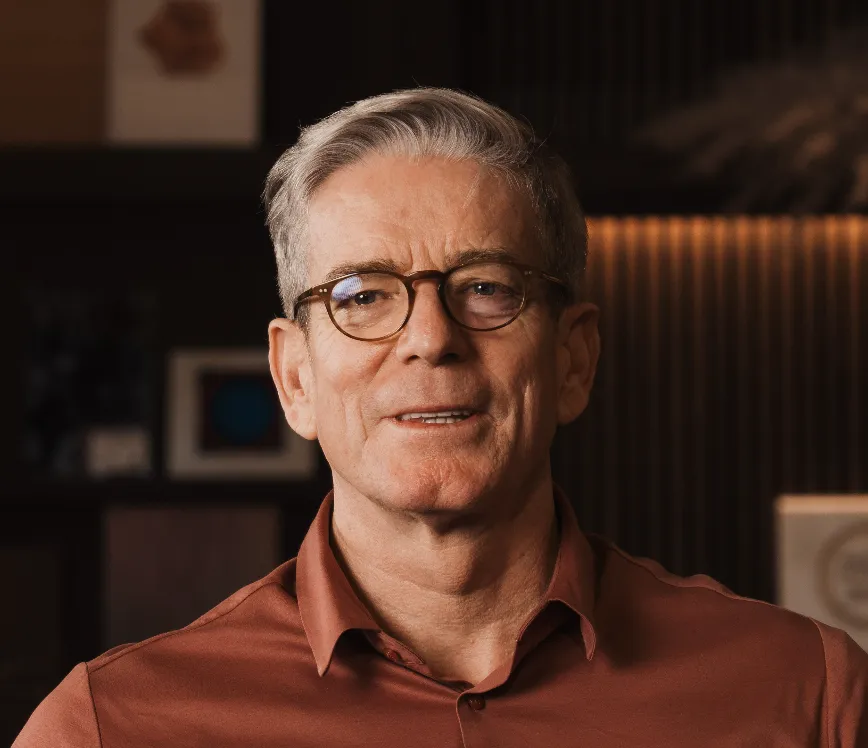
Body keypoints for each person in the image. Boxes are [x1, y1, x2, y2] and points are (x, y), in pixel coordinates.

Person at [14, 88, 868, 747]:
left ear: (573, 358)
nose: (430, 339)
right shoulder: (109, 727)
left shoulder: (805, 696)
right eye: (362, 295)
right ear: (294, 376)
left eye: (487, 289)